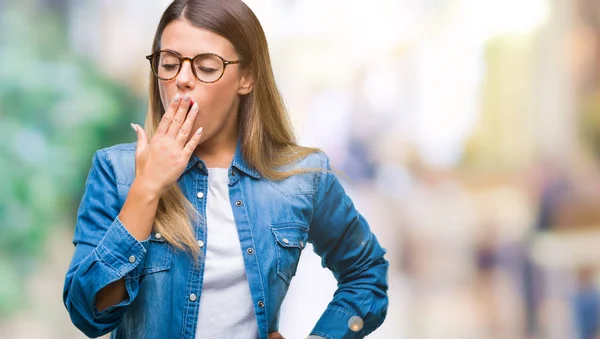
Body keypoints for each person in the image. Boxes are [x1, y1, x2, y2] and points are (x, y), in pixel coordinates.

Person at [63, 1, 389, 338]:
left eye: (206, 67)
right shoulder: (116, 171)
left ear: (246, 77)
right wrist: (146, 188)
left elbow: (366, 272)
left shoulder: (303, 177)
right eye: (170, 63)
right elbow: (88, 314)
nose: (182, 80)